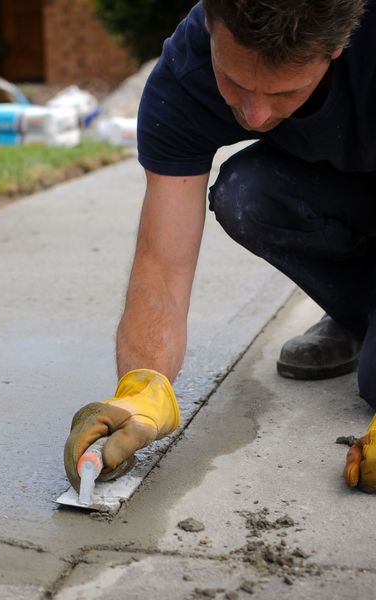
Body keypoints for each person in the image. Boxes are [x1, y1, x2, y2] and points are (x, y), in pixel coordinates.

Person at [64, 0, 376, 494]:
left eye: (285, 91)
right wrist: (143, 390)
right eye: (234, 82)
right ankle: (359, 313)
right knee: (245, 194)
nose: (254, 115)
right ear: (211, 25)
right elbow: (161, 266)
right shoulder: (185, 76)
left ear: (339, 46)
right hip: (345, 193)